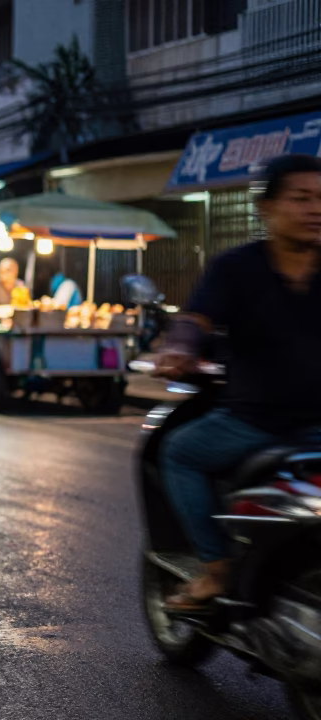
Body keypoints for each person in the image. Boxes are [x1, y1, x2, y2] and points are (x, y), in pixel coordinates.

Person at [156, 154, 321, 611]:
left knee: (178, 451)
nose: (315, 209)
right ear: (265, 208)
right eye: (301, 198)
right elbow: (196, 319)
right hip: (255, 422)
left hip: (271, 425)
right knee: (182, 450)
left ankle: (217, 570)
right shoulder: (236, 268)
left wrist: (184, 347)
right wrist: (181, 347)